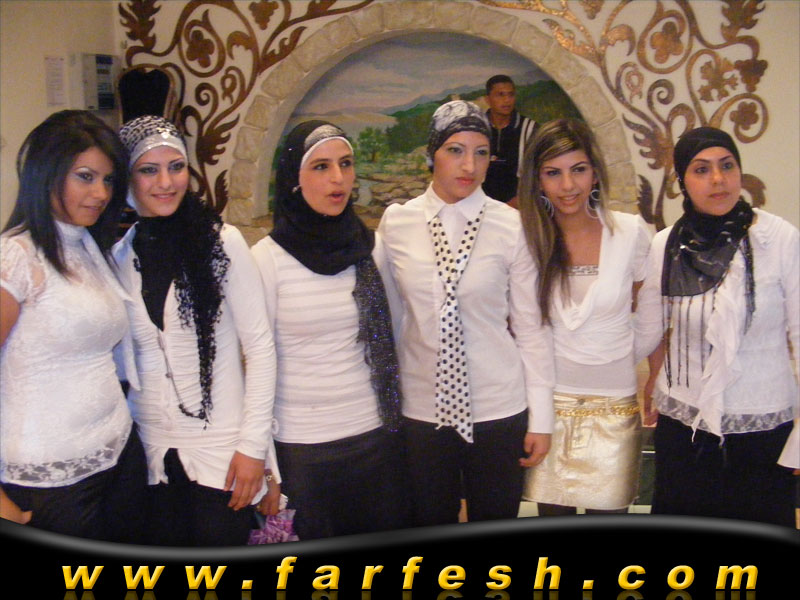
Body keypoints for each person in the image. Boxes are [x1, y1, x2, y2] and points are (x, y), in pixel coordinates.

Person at [378, 100, 555, 526]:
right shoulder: (397, 223)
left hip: (498, 407)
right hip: (422, 409)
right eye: (455, 150)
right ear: (432, 154)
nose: (469, 166)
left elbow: (531, 328)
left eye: (481, 152)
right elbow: (392, 320)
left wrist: (542, 418)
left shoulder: (511, 225)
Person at [113, 115, 281, 545]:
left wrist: (253, 448)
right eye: (149, 170)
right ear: (127, 179)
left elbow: (260, 349)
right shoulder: (118, 257)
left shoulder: (222, 243)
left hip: (222, 452)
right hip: (149, 452)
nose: (165, 182)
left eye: (176, 167)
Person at [251, 120, 408, 540]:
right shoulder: (266, 259)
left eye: (346, 164)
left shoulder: (371, 248)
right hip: (301, 447)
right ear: (294, 179)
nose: (338, 178)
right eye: (321, 166)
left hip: (374, 435)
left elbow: (394, 334)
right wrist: (267, 466)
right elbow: (254, 366)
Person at [635, 126, 799, 526]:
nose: (718, 179)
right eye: (701, 169)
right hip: (685, 427)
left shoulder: (778, 239)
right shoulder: (666, 245)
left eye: (727, 166)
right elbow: (646, 333)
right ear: (682, 182)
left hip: (763, 426)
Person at [0, 110, 147, 542]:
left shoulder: (87, 245)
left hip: (117, 451)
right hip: (48, 476)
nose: (101, 193)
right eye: (85, 177)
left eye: (108, 180)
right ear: (46, 173)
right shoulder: (15, 257)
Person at [517, 118, 651, 516]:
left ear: (595, 171)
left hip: (615, 406)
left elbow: (650, 315)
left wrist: (638, 369)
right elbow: (521, 328)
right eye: (553, 173)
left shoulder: (630, 233)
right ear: (538, 180)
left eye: (578, 169)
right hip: (548, 407)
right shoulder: (527, 239)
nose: (568, 185)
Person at [481, 74, 538, 208]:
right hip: (480, 208)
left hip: (520, 207)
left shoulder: (530, 129)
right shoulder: (476, 129)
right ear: (487, 99)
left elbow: (541, 173)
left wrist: (516, 203)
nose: (507, 100)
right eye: (500, 95)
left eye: (511, 95)